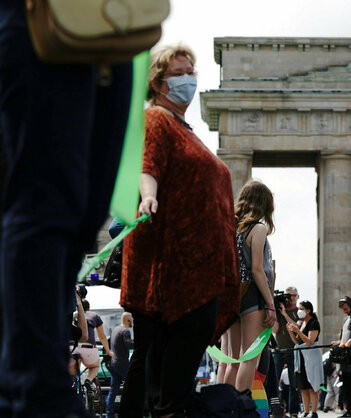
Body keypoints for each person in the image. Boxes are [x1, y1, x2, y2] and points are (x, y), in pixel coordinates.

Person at [0, 2, 132, 414]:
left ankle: (31, 380)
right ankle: (32, 387)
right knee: (45, 204)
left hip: (110, 25)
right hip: (42, 18)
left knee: (85, 212)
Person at [121, 44, 239, 416]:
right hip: (175, 274)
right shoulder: (156, 119)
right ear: (157, 82)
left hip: (195, 271)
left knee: (161, 373)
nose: (189, 79)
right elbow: (147, 164)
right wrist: (148, 196)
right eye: (179, 73)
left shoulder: (185, 129)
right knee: (165, 377)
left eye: (192, 72)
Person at [224, 180, 278, 392]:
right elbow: (257, 269)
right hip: (252, 296)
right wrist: (270, 304)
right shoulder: (258, 228)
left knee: (233, 360)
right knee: (249, 358)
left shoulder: (231, 226)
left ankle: (225, 408)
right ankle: (241, 407)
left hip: (231, 295)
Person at [289, 300, 324, 418]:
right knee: (303, 386)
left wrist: (297, 331)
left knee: (312, 385)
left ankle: (314, 411)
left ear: (308, 310)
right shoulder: (302, 322)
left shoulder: (314, 323)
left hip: (311, 356)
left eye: (301, 308)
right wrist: (291, 332)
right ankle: (306, 411)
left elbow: (309, 341)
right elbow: (297, 341)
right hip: (301, 356)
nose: (299, 311)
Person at [275, 286, 302, 418]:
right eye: (288, 295)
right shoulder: (279, 311)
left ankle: (294, 411)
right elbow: (275, 330)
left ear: (298, 296)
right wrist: (274, 311)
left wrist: (285, 314)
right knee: (274, 382)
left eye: (293, 295)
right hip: (279, 350)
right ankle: (275, 409)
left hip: (293, 350)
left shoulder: (300, 312)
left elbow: (298, 328)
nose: (291, 298)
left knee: (293, 383)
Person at [76, 299, 115, 381]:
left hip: (72, 347)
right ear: (89, 308)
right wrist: (108, 352)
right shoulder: (94, 315)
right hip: (88, 348)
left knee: (74, 373)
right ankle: (87, 381)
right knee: (95, 366)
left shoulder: (73, 315)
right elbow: (102, 337)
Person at [107, 313, 134, 418]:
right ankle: (130, 413)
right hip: (122, 364)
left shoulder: (115, 329)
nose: (133, 322)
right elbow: (128, 344)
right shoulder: (125, 331)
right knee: (132, 389)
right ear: (128, 320)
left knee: (113, 391)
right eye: (132, 320)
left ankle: (109, 414)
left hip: (114, 363)